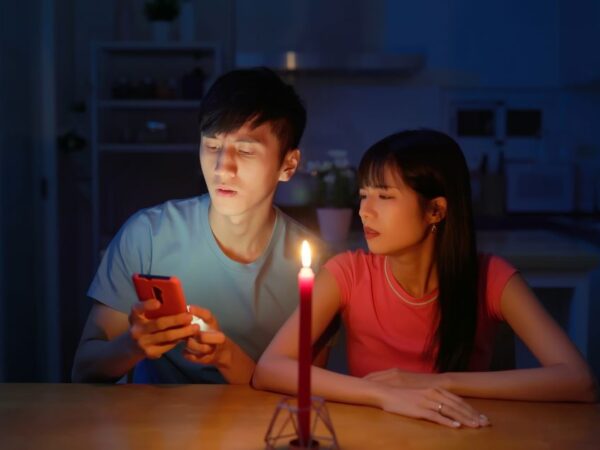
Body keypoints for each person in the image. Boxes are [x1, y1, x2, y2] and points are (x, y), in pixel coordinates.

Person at [253, 129, 598, 428]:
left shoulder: (492, 278)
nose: (364, 210)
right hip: (375, 437)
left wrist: (437, 383)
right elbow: (270, 368)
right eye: (363, 195)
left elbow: (579, 382)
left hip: (464, 435)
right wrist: (382, 394)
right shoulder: (348, 273)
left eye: (385, 196)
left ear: (436, 210)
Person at [72, 67, 329, 384]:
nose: (223, 167)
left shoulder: (315, 266)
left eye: (246, 150)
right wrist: (132, 346)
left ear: (288, 165)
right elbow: (83, 369)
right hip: (152, 428)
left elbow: (307, 392)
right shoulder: (149, 234)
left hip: (259, 429)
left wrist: (226, 357)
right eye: (212, 146)